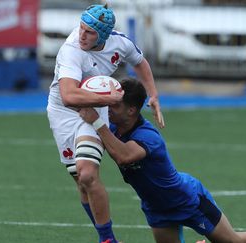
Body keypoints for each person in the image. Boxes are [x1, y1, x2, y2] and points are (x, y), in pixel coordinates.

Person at [79, 78, 246, 243]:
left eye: (114, 105)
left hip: (187, 200)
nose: (107, 109)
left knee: (233, 241)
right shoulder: (113, 127)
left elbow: (123, 155)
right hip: (156, 208)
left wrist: (97, 123)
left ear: (132, 110)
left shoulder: (148, 137)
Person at [46, 4, 164, 243]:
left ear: (103, 35)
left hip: (95, 108)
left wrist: (153, 95)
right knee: (81, 182)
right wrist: (108, 98)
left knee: (88, 175)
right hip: (64, 112)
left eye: (89, 32)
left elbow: (140, 62)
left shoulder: (120, 43)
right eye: (81, 28)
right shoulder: (71, 50)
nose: (81, 35)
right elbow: (69, 97)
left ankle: (107, 240)